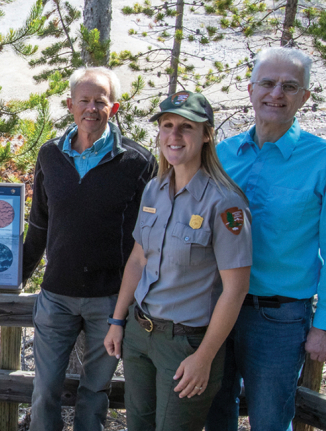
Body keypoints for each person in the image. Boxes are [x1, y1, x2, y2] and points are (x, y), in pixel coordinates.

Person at [206, 47, 326, 431]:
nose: (277, 94)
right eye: (268, 83)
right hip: (217, 306)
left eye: (290, 86)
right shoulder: (222, 154)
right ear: (251, 89)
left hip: (279, 316)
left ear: (304, 97)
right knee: (213, 413)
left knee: (271, 421)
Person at [103, 92, 252, 430]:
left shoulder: (225, 203)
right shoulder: (154, 189)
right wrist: (117, 320)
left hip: (186, 344)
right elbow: (138, 260)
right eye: (167, 125)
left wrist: (204, 357)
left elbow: (235, 289)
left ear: (207, 135)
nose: (174, 135)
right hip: (140, 335)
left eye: (187, 127)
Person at [23, 67, 157, 431]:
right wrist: (16, 276)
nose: (91, 108)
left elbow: (148, 237)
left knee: (95, 391)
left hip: (110, 300)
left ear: (114, 109)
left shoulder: (138, 162)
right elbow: (39, 224)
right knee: (45, 389)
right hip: (56, 296)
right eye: (84, 100)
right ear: (70, 105)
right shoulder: (50, 155)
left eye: (100, 101)